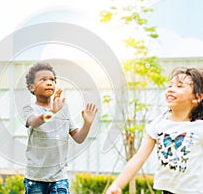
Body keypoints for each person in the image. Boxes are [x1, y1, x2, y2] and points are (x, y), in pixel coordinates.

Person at [106, 67, 203, 194]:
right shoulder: (159, 124)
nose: (171, 89)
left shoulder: (199, 127)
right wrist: (117, 185)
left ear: (197, 98)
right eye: (170, 85)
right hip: (166, 191)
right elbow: (138, 158)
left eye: (179, 86)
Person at [22, 62, 98, 194]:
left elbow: (78, 138)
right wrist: (51, 112)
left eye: (52, 79)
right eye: (43, 79)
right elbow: (34, 122)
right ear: (32, 87)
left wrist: (87, 123)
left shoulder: (63, 108)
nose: (49, 82)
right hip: (35, 179)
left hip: (59, 178)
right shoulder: (29, 109)